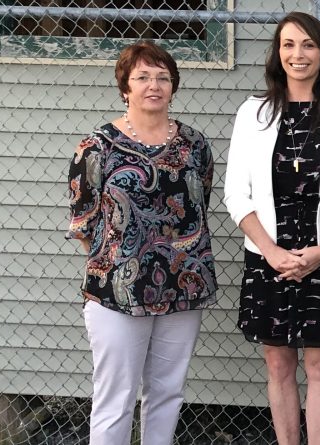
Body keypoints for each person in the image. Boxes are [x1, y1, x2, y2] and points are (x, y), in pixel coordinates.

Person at [65, 40, 216, 445]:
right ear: (125, 87)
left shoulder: (194, 145)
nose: (154, 85)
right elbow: (84, 225)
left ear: (174, 85)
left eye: (163, 77)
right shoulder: (97, 147)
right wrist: (119, 265)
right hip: (116, 294)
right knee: (116, 398)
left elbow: (199, 201)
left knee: (167, 393)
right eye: (143, 77)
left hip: (181, 287)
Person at [223, 12, 320, 445]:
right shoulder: (254, 112)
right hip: (269, 260)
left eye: (308, 45)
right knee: (278, 367)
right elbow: (236, 194)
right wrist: (271, 251)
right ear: (277, 53)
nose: (297, 55)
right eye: (288, 45)